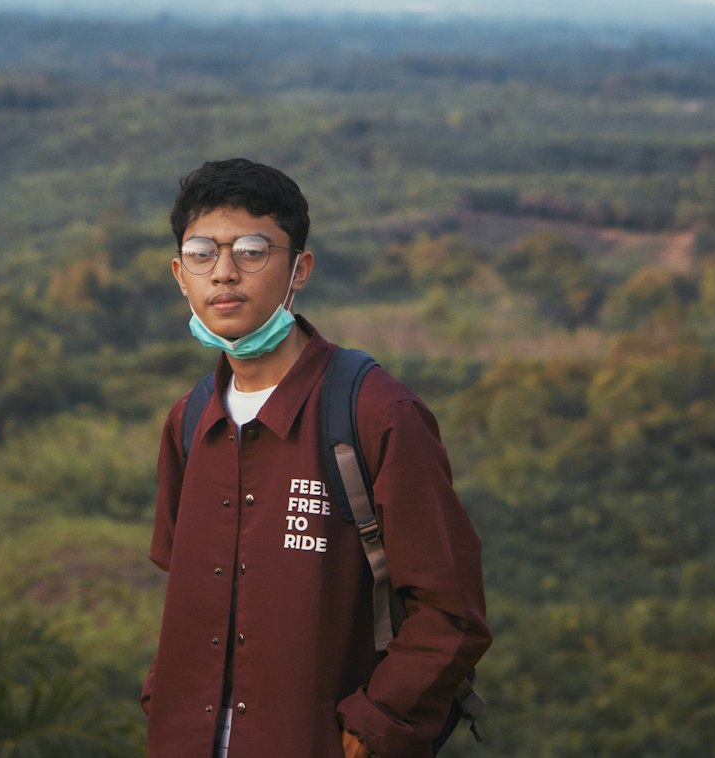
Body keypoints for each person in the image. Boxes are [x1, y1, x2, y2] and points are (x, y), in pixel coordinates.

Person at [141, 158, 491, 758]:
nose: (224, 273)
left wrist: (374, 724)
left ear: (299, 268)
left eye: (252, 250)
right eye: (202, 253)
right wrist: (162, 701)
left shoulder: (376, 413)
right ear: (179, 273)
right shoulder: (190, 421)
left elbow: (451, 611)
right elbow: (191, 591)